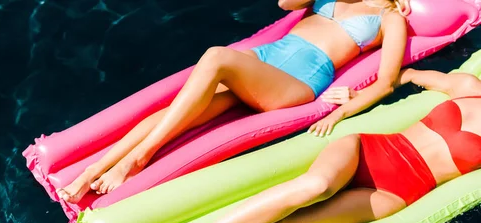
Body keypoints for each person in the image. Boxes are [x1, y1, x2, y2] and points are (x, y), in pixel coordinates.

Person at [94, 67, 481, 223]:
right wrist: (368, 91)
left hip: (397, 193)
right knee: (315, 187)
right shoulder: (468, 84)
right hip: (369, 151)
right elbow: (406, 76)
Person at [57, 0, 411, 203]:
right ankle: (92, 171)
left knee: (216, 57)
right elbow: (285, 3)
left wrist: (348, 105)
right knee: (175, 113)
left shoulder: (390, 16)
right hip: (266, 58)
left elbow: (387, 81)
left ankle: (138, 157)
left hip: (299, 80)